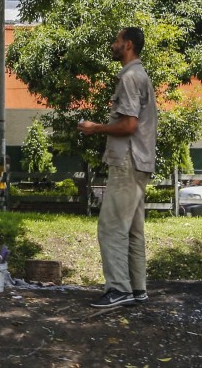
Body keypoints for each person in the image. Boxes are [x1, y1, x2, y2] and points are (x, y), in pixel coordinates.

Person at [77, 27, 157, 309]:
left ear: (128, 45)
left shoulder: (130, 77)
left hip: (127, 161)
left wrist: (95, 128)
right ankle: (137, 289)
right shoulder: (141, 75)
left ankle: (118, 290)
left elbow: (129, 125)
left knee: (110, 226)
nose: (113, 44)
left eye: (117, 41)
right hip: (139, 161)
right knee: (133, 230)